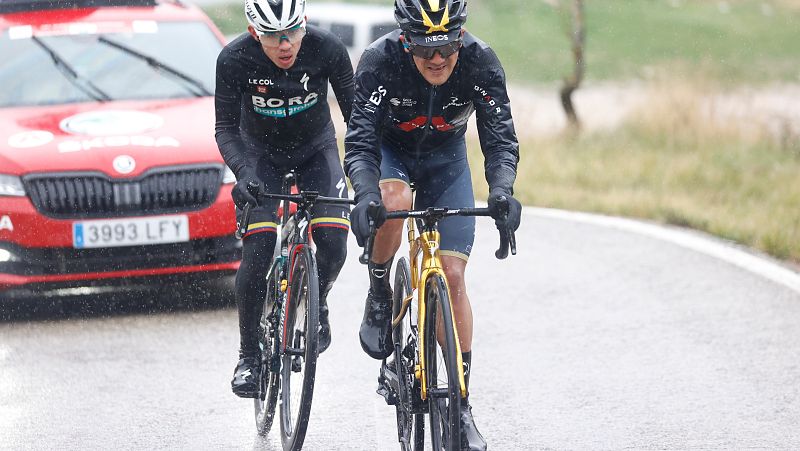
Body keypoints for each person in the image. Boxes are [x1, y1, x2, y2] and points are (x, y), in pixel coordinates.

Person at [344, 0, 522, 449]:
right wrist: (365, 194)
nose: (438, 58)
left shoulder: (480, 61)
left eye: (447, 45)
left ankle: (461, 407)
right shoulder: (379, 61)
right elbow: (361, 141)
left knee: (455, 275)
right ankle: (381, 287)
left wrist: (501, 190)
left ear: (461, 37)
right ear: (405, 39)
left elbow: (500, 139)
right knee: (394, 199)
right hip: (392, 157)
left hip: (447, 163)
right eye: (426, 48)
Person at [215, 0, 354, 398]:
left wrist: (365, 176)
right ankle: (248, 356)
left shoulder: (327, 49)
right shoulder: (233, 59)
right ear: (254, 31)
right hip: (258, 156)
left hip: (316, 150)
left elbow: (357, 118)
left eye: (293, 31)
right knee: (258, 251)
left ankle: (318, 300)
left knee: (332, 243)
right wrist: (243, 174)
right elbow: (224, 128)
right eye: (274, 36)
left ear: (305, 23)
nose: (286, 44)